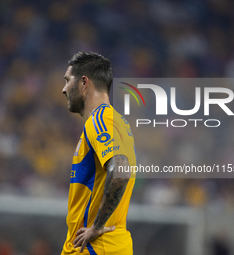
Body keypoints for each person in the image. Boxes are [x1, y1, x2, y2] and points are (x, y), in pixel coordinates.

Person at [61, 52, 136, 254]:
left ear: (84, 83)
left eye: (68, 81)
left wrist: (97, 226)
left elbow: (120, 171)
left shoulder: (100, 120)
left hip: (96, 247)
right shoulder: (113, 122)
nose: (63, 89)